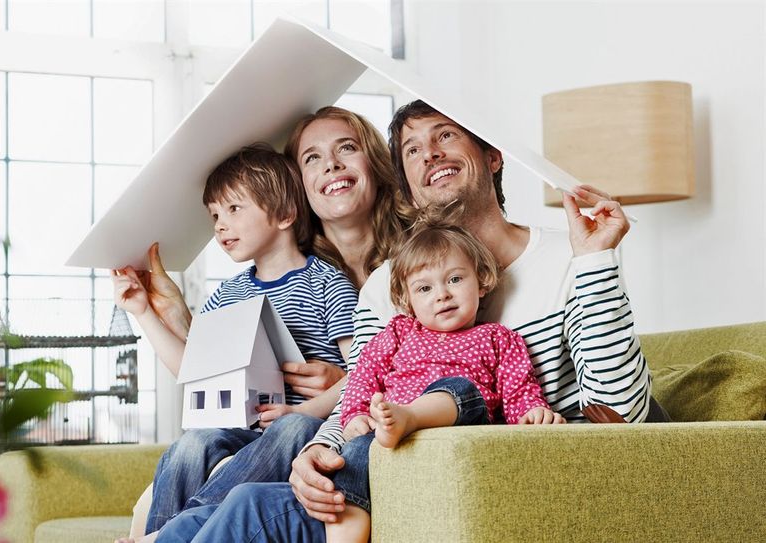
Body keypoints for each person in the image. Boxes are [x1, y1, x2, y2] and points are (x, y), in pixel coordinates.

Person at [179, 99, 656, 543]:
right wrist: (312, 455)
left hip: (503, 481)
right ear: (404, 182)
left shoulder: (573, 255)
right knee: (242, 504)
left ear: (492, 156)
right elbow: (360, 388)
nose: (430, 154)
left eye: (445, 135)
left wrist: (596, 261)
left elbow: (620, 413)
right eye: (412, 148)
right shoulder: (386, 287)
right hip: (378, 475)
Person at [121, 108, 409, 542]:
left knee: (291, 427)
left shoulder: (326, 282)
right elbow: (195, 371)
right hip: (241, 427)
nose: (221, 226)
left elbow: (361, 371)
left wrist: (304, 408)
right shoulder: (228, 294)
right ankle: (161, 535)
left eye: (234, 209)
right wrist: (144, 313)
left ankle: (176, 534)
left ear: (284, 214)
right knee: (193, 443)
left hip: (304, 423)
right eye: (215, 215)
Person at [328, 220, 565, 542]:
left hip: (459, 424)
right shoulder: (399, 332)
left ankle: (408, 417)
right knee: (354, 454)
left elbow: (519, 389)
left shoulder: (498, 337)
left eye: (454, 279)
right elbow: (364, 374)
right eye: (425, 288)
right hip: (387, 433)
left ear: (481, 281)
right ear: (407, 299)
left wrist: (532, 412)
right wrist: (355, 414)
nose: (442, 295)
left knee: (459, 388)